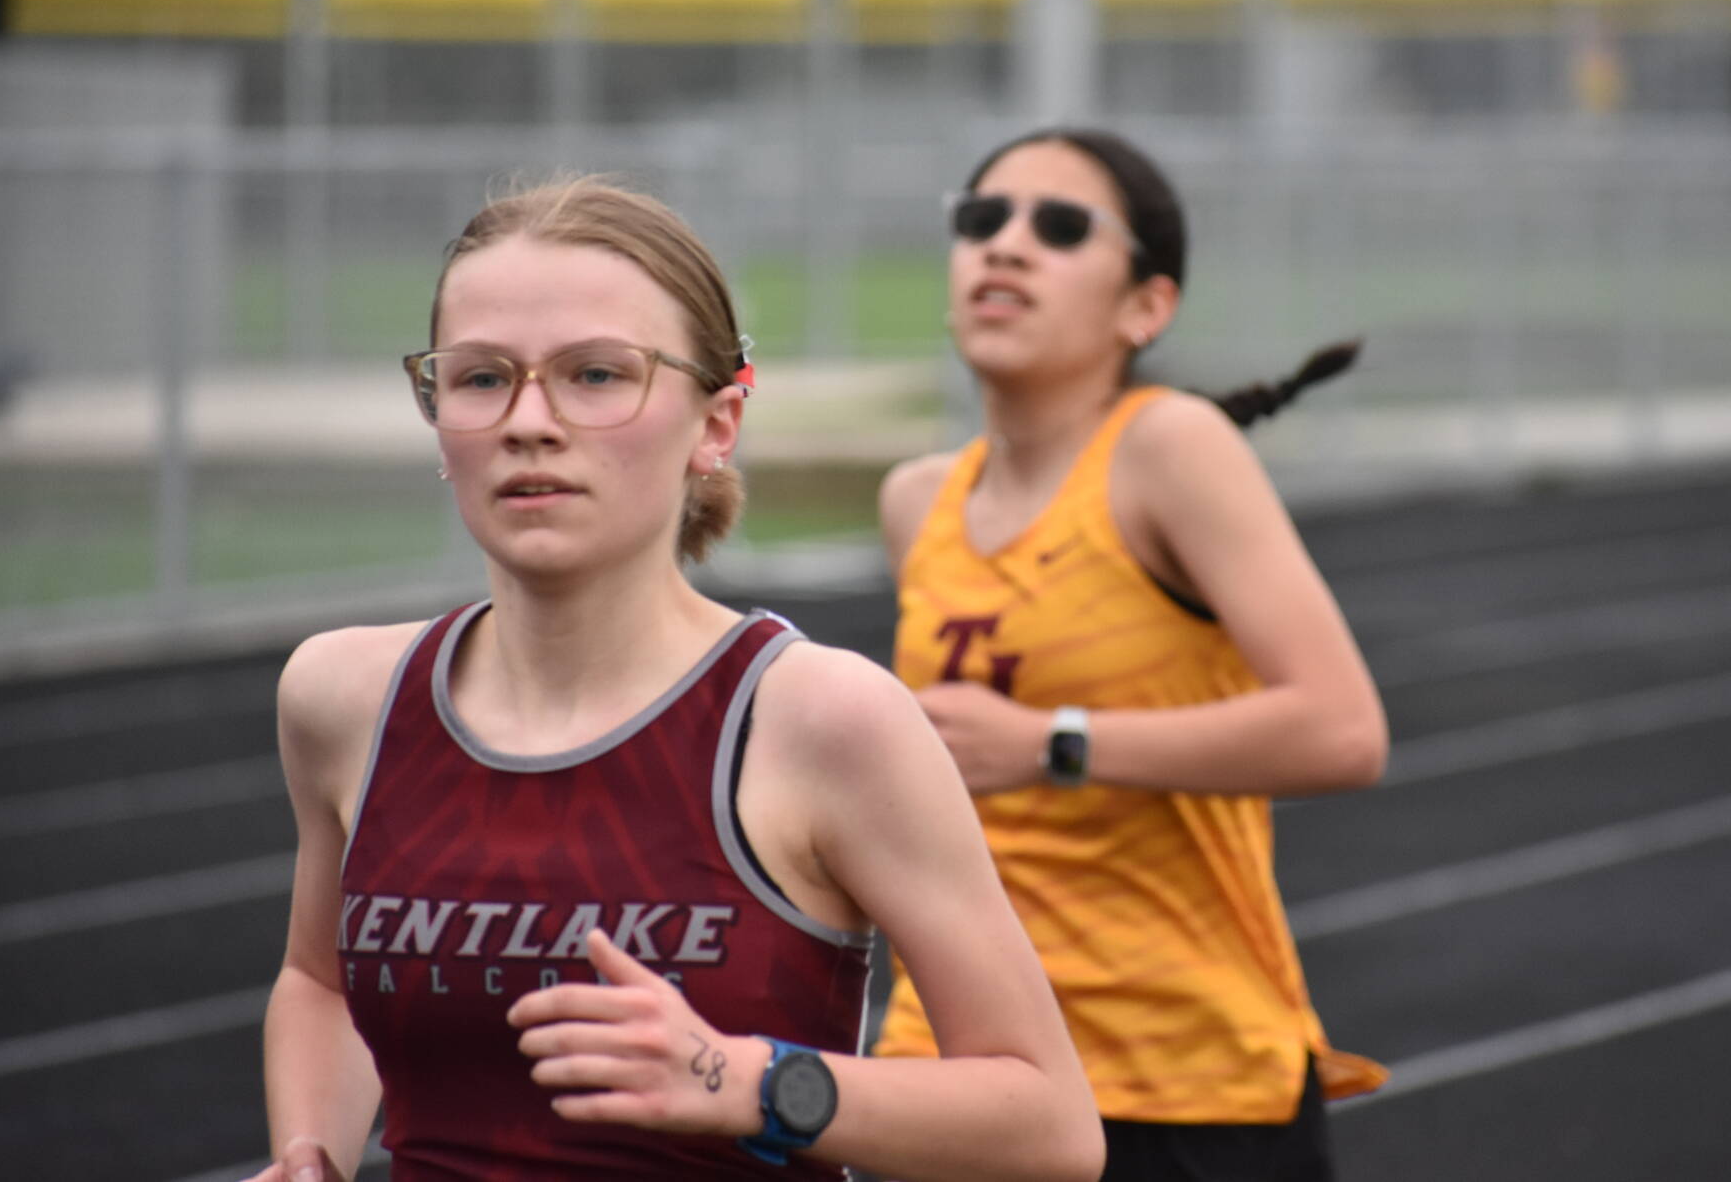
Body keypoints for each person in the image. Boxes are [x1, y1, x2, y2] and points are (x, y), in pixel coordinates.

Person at [244, 178, 1103, 1182]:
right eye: (481, 377)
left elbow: (1050, 1127)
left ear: (716, 424)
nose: (529, 421)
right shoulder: (345, 697)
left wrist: (747, 1082)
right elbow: (320, 982)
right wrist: (308, 1152)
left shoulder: (822, 720)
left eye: (596, 374)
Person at [871, 128, 1391, 1182]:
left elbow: (1342, 731)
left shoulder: (1169, 449)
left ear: (1145, 308)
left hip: (1174, 1078)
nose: (1006, 244)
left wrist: (1052, 744)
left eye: (1061, 227)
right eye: (982, 219)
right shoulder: (915, 501)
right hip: (956, 1064)